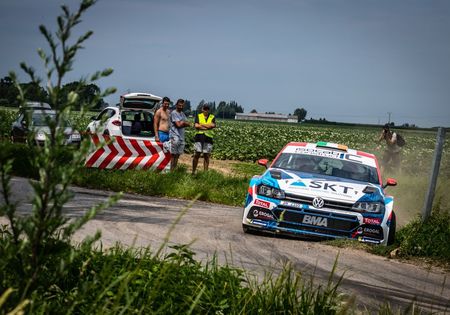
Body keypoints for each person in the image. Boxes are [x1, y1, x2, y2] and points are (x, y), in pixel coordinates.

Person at [192, 104, 216, 174]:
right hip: (199, 137)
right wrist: (207, 126)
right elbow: (196, 126)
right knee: (197, 154)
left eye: (207, 109)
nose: (206, 110)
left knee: (206, 155)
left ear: (209, 110)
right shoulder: (198, 115)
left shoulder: (212, 116)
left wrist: (201, 124)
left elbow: (213, 125)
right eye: (205, 109)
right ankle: (193, 171)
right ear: (202, 109)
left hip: (208, 138)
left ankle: (205, 173)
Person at [169, 99, 190, 170]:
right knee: (173, 154)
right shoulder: (174, 113)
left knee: (177, 155)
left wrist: (182, 123)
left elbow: (188, 123)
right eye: (179, 105)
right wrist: (183, 123)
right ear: (176, 105)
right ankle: (171, 170)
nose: (181, 107)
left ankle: (174, 169)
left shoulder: (182, 113)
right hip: (175, 136)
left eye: (182, 105)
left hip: (181, 136)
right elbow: (178, 125)